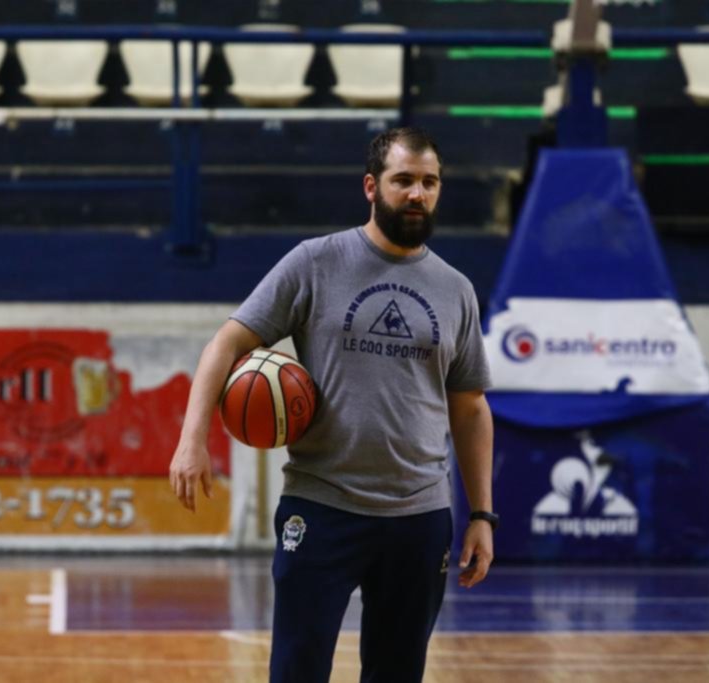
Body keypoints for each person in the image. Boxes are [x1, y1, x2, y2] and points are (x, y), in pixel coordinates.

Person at [169, 127, 495, 683]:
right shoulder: (315, 262)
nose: (417, 194)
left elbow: (469, 409)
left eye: (429, 182)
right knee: (297, 670)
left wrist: (482, 514)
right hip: (322, 506)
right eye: (403, 181)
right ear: (372, 187)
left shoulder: (455, 288)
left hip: (417, 516)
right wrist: (192, 439)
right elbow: (226, 343)